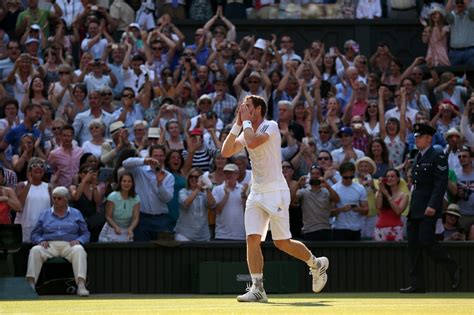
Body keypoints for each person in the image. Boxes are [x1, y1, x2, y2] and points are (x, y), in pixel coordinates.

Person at [221, 95, 329, 302]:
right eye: (242, 107)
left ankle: (316, 264)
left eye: (247, 107)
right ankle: (258, 288)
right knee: (252, 239)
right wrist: (237, 125)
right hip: (256, 192)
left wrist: (244, 124)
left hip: (276, 192)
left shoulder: (270, 126)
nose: (243, 109)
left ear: (259, 110)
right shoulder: (246, 130)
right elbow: (226, 151)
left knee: (282, 242)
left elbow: (252, 143)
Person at [400, 123, 461, 294]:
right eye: (416, 136)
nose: (416, 139)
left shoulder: (437, 156)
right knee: (413, 246)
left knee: (426, 241)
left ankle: (453, 266)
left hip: (428, 207)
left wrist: (433, 205)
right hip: (415, 207)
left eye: (419, 136)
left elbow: (440, 183)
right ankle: (417, 284)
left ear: (429, 138)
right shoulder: (418, 156)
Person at [26, 186, 90, 297]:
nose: (55, 200)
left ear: (66, 199)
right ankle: (31, 285)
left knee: (79, 250)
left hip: (69, 245)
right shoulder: (45, 214)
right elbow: (35, 234)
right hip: (49, 245)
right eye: (54, 198)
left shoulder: (76, 213)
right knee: (35, 250)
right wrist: (41, 240)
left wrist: (79, 240)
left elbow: (86, 234)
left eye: (59, 198)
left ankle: (81, 285)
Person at [122, 145, 174, 241]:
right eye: (155, 155)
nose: (158, 158)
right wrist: (144, 161)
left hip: (161, 218)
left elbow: (167, 199)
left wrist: (160, 184)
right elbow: (125, 163)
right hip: (142, 218)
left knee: (163, 250)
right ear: (150, 156)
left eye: (161, 155)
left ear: (165, 157)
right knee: (142, 250)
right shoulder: (140, 170)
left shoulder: (169, 176)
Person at [296, 164, 340, 241]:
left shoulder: (327, 191)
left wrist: (328, 186)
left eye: (317, 174)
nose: (315, 176)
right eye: (313, 173)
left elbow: (337, 200)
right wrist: (298, 184)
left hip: (325, 229)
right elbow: (293, 200)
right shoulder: (303, 192)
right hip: (309, 231)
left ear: (321, 176)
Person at [174, 167, 215, 241]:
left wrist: (208, 187)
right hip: (184, 234)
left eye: (196, 177)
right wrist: (198, 189)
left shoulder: (205, 193)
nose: (193, 179)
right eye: (191, 176)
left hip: (203, 235)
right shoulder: (183, 191)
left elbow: (212, 204)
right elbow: (185, 203)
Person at [99, 172, 140, 242]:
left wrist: (131, 229)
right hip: (112, 228)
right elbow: (108, 216)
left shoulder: (136, 198)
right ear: (120, 183)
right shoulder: (112, 196)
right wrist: (115, 227)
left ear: (132, 183)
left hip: (127, 230)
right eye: (124, 181)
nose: (126, 184)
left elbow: (136, 218)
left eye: (129, 181)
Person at [212, 163, 246, 241]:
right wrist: (226, 195)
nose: (229, 175)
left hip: (240, 235)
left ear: (237, 175)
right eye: (226, 173)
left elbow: (248, 211)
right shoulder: (217, 189)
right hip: (221, 235)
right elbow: (217, 211)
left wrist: (244, 197)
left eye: (231, 173)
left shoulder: (243, 190)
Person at [374, 169, 409, 241]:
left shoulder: (404, 195)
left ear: (398, 178)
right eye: (387, 177)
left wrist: (387, 195)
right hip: (380, 228)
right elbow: (378, 207)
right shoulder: (380, 192)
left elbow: (398, 211)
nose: (389, 178)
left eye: (392, 176)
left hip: (396, 228)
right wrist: (381, 190)